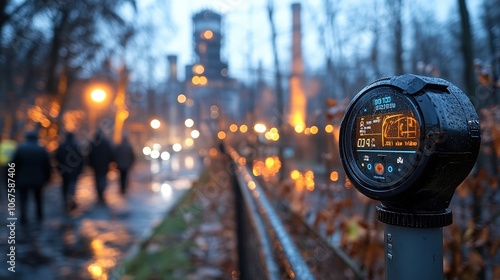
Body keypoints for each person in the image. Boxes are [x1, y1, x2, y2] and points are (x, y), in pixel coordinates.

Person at [12, 130, 52, 224]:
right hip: (38, 179)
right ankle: (39, 215)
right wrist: (47, 178)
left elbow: (13, 165)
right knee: (38, 198)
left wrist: (12, 178)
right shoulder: (41, 149)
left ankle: (23, 217)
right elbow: (47, 165)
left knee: (23, 199)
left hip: (22, 179)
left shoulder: (20, 148)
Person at [55, 132, 84, 211]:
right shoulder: (76, 146)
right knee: (72, 186)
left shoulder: (62, 146)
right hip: (74, 171)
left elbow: (56, 158)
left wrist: (59, 169)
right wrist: (80, 169)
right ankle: (71, 200)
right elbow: (81, 159)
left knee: (64, 186)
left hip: (64, 171)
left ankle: (65, 201)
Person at [87, 128, 114, 203]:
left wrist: (90, 164)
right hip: (104, 165)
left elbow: (89, 155)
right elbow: (111, 153)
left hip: (96, 165)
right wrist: (111, 162)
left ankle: (99, 193)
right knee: (103, 179)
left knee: (97, 179)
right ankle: (101, 193)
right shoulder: (106, 143)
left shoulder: (92, 143)